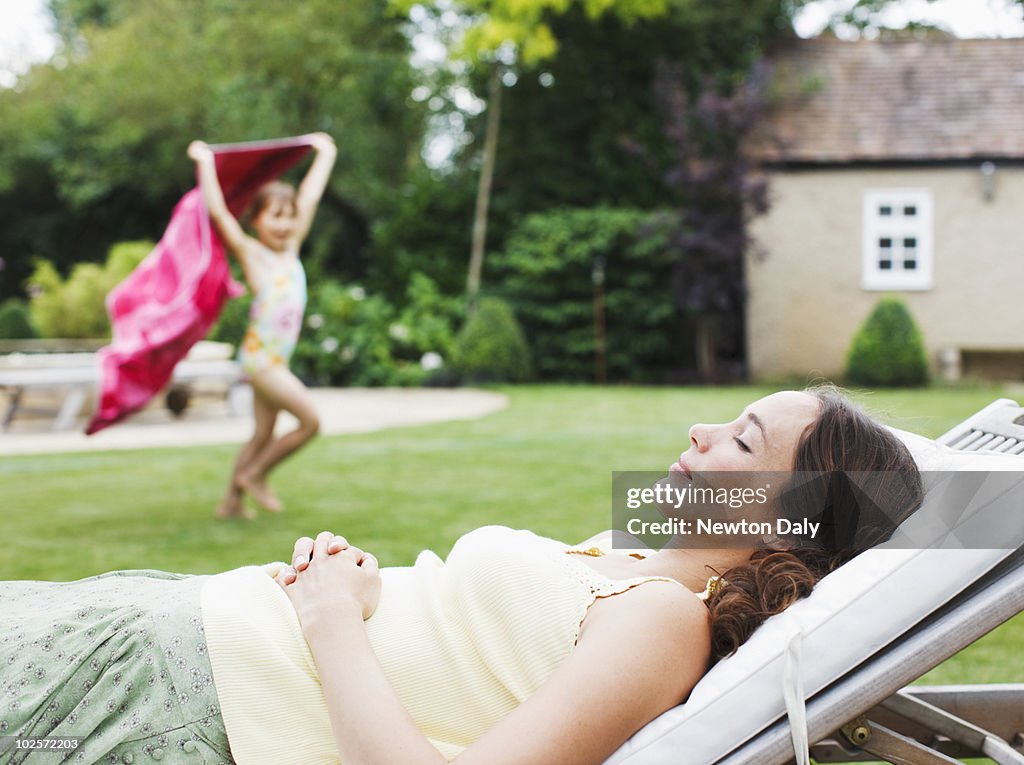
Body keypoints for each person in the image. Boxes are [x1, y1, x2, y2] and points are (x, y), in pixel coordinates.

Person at [0, 388, 923, 765]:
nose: (699, 432)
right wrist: (348, 582)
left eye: (742, 440)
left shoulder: (663, 623)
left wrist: (332, 617)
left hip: (177, 698)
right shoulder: (625, 553)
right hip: (171, 626)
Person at [188, 133, 337, 519]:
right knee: (310, 421)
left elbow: (311, 196)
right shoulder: (254, 256)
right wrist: (205, 163)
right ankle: (254, 476)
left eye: (290, 216)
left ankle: (230, 503)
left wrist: (326, 153)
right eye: (275, 215)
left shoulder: (291, 252)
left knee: (262, 434)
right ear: (256, 221)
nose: (285, 223)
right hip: (261, 361)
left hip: (275, 361)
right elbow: (220, 213)